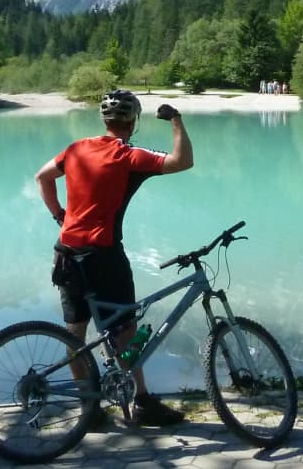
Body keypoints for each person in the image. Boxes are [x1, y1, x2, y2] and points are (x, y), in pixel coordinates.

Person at [34, 89, 193, 427]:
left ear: (104, 120)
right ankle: (142, 402)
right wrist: (176, 120)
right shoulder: (128, 155)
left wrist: (59, 215)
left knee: (75, 335)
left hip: (66, 252)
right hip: (104, 257)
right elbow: (183, 161)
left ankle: (88, 408)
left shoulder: (76, 149)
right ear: (132, 121)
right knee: (125, 331)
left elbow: (43, 176)